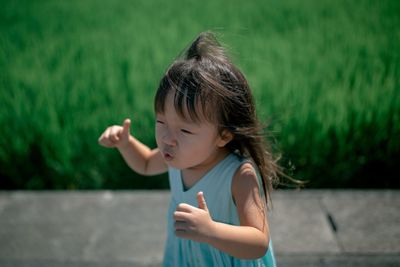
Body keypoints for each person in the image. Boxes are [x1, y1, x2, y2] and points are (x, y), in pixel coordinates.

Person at [98, 32, 280, 266]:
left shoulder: (239, 176)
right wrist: (126, 144)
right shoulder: (176, 157)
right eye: (161, 122)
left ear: (223, 135)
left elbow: (258, 241)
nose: (167, 139)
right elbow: (144, 164)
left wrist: (211, 230)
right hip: (189, 258)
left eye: (185, 131)